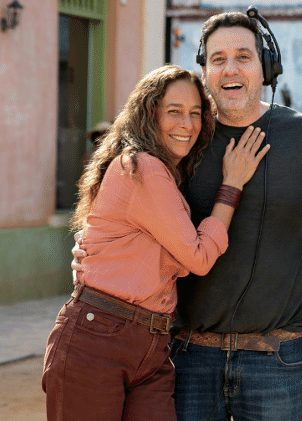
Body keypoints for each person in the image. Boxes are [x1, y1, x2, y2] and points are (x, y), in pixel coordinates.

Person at [73, 10, 302, 421]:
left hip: (277, 357)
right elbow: (124, 213)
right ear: (203, 71)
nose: (230, 69)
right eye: (217, 59)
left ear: (265, 66)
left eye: (243, 57)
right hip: (188, 354)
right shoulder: (181, 140)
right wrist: (89, 254)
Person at [42, 65, 268, 421]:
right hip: (98, 338)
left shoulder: (162, 174)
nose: (187, 124)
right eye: (174, 111)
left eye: (196, 113)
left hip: (152, 345)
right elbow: (198, 257)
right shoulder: (143, 167)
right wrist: (233, 185)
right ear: (150, 114)